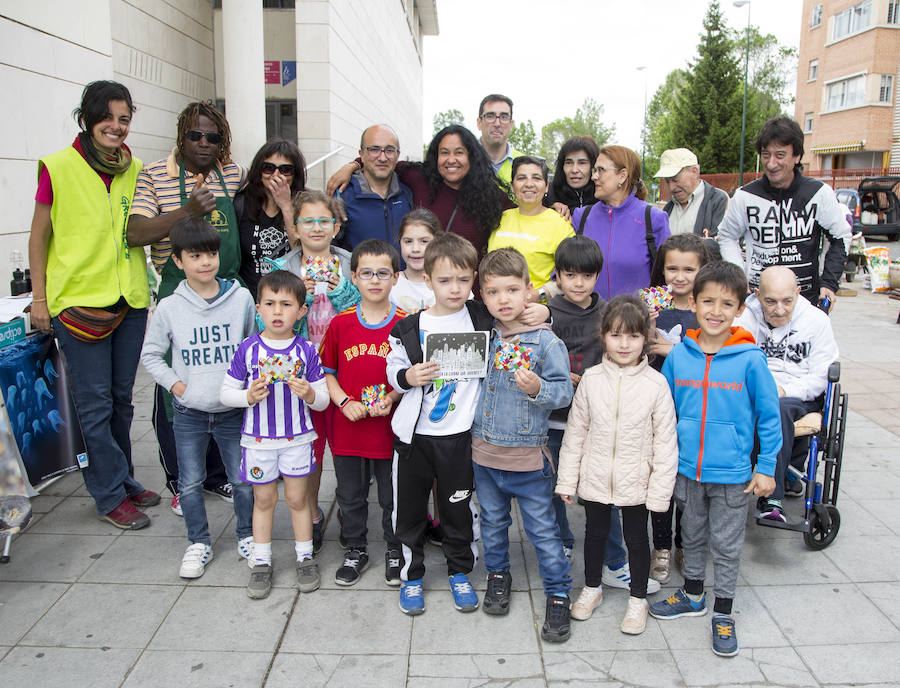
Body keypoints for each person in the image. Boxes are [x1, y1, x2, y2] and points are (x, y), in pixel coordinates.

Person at [387, 234, 551, 616]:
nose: (455, 288)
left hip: (462, 438)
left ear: (474, 279)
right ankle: (411, 576)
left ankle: (460, 571)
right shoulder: (408, 328)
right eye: (445, 280)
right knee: (408, 509)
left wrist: (546, 312)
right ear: (427, 280)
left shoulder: (482, 317)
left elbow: (525, 312)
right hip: (415, 438)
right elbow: (392, 370)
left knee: (458, 507)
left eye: (463, 279)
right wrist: (409, 376)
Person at [29, 80, 157, 529]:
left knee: (121, 400)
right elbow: (38, 237)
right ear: (88, 117)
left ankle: (122, 479)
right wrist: (40, 299)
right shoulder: (57, 167)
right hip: (78, 304)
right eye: (108, 117)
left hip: (130, 299)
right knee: (94, 404)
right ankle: (106, 494)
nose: (117, 126)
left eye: (124, 119)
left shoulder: (135, 167)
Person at [650, 262, 782, 658]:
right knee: (690, 536)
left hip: (733, 476)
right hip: (686, 470)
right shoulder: (679, 357)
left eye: (727, 303)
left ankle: (723, 611)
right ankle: (693, 594)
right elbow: (664, 411)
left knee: (725, 545)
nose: (716, 311)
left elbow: (769, 416)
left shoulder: (750, 359)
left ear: (740, 309)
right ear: (693, 302)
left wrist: (767, 466)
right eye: (708, 301)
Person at [128, 101, 246, 515]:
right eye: (195, 135)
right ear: (182, 135)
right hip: (179, 294)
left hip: (225, 293)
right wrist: (188, 211)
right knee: (175, 391)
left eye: (212, 137)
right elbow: (136, 232)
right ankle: (180, 479)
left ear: (223, 142)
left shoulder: (230, 173)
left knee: (222, 384)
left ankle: (217, 476)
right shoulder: (154, 174)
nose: (203, 143)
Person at [140, 218, 256, 578]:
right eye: (195, 256)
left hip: (233, 409)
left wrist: (248, 390)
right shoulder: (171, 308)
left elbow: (253, 346)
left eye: (211, 254)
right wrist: (177, 385)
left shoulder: (241, 299)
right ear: (178, 261)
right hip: (189, 410)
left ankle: (248, 535)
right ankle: (198, 542)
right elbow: (151, 355)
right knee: (189, 482)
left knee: (242, 480)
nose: (205, 262)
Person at [557, 295, 678, 635]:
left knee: (637, 539)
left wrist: (659, 494)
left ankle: (638, 598)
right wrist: (567, 481)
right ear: (603, 335)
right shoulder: (592, 379)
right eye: (615, 335)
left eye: (633, 336)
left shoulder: (656, 384)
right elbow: (576, 434)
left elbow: (666, 443)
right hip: (596, 476)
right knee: (594, 534)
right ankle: (592, 587)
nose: (624, 344)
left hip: (637, 480)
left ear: (645, 339)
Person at [472, 247, 574, 642]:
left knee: (543, 532)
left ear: (529, 291)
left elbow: (564, 392)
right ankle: (498, 575)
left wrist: (539, 389)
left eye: (512, 289)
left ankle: (558, 593)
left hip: (529, 459)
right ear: (483, 295)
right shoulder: (483, 337)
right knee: (494, 524)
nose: (504, 299)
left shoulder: (545, 343)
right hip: (484, 454)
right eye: (494, 291)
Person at [220, 270, 330, 600]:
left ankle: (305, 557)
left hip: (297, 439)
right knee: (263, 500)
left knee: (298, 500)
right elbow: (225, 392)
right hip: (258, 441)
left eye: (286, 304)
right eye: (270, 303)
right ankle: (261, 562)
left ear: (301, 311)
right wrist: (247, 397)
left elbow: (323, 400)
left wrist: (309, 393)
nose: (277, 311)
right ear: (258, 309)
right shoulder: (248, 350)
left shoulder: (307, 351)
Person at [319, 239, 406, 586]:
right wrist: (343, 402)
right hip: (349, 429)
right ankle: (355, 548)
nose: (374, 280)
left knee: (391, 496)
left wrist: (393, 396)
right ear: (353, 277)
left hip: (389, 428)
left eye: (383, 273)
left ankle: (394, 549)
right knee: (350, 495)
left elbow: (409, 375)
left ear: (396, 278)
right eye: (366, 273)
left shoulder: (404, 324)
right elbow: (327, 372)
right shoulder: (340, 325)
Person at [327, 125, 512, 288]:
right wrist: (353, 165)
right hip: (415, 290)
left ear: (472, 156)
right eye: (444, 152)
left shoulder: (492, 197)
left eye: (459, 152)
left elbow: (528, 212)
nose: (451, 159)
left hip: (465, 294)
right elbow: (384, 162)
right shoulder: (419, 179)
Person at [279, 190, 358, 552]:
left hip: (344, 369)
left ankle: (349, 509)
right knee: (310, 450)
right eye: (307, 220)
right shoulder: (282, 268)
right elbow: (274, 324)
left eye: (323, 220)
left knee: (345, 446)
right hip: (303, 373)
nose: (315, 227)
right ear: (295, 228)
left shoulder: (350, 263)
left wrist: (340, 289)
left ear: (336, 226)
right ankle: (310, 514)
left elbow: (360, 310)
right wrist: (302, 298)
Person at [735, 266, 839, 522]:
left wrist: (784, 390)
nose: (779, 309)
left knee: (776, 408)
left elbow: (821, 377)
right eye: (770, 301)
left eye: (787, 301)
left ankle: (772, 497)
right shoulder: (745, 316)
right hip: (754, 388)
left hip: (799, 393)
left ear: (798, 293)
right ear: (757, 295)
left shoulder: (817, 321)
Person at [716, 117, 851, 305]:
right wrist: (739, 278)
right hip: (757, 300)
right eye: (765, 155)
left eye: (780, 155)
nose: (771, 164)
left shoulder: (819, 194)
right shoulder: (744, 196)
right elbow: (727, 237)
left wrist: (828, 282)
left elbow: (840, 237)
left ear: (797, 156)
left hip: (805, 300)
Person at [646, 233, 712, 584]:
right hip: (657, 407)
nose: (680, 276)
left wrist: (676, 352)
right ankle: (661, 546)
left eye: (690, 269)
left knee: (688, 482)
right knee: (662, 480)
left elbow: (714, 359)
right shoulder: (651, 304)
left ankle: (685, 541)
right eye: (672, 268)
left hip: (693, 408)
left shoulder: (708, 309)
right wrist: (647, 326)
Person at [571, 145, 671, 301]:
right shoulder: (581, 217)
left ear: (622, 175)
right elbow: (562, 274)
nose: (594, 177)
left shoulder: (653, 218)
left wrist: (644, 310)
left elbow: (671, 280)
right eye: (594, 170)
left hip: (637, 322)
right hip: (587, 322)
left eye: (601, 170)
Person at [488, 156, 575, 303]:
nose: (529, 184)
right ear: (512, 185)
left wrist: (537, 296)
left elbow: (573, 277)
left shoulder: (560, 225)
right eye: (521, 178)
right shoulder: (499, 219)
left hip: (537, 315)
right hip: (497, 312)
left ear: (547, 185)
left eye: (536, 178)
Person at [236, 138, 306, 297]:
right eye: (268, 168)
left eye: (285, 170)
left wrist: (286, 206)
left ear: (295, 175)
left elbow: (302, 251)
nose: (276, 175)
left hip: (292, 299)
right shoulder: (241, 204)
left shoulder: (307, 205)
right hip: (252, 299)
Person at [335, 124, 413, 252]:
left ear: (398, 155)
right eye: (374, 149)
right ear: (362, 154)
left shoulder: (407, 195)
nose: (382, 158)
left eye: (389, 150)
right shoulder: (342, 196)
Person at [654, 148, 728, 237]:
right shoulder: (668, 207)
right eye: (667, 181)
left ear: (694, 172)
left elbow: (724, 242)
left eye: (675, 180)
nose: (671, 188)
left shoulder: (718, 200)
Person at [390, 209, 442, 314]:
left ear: (437, 242)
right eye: (408, 241)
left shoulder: (452, 282)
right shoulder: (389, 285)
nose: (415, 249)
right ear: (399, 242)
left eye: (424, 241)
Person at [545, 136, 600, 221]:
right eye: (569, 162)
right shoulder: (548, 193)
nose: (574, 170)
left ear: (593, 166)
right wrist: (550, 209)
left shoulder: (603, 196)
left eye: (582, 163)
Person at [476, 93, 522, 186]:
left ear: (511, 125)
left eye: (504, 117)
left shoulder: (523, 163)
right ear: (479, 123)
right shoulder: (463, 161)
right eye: (490, 116)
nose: (497, 123)